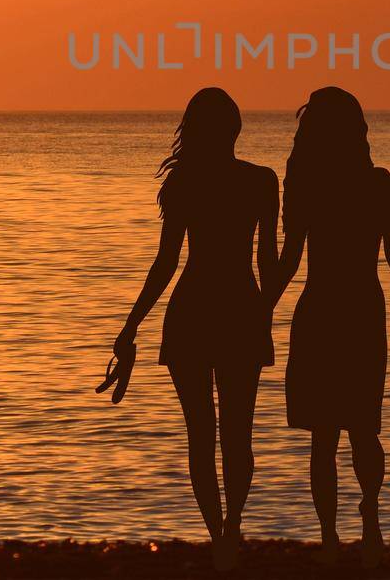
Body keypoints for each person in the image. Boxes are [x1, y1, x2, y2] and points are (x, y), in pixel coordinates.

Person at [113, 88, 279, 571]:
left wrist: (131, 325)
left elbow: (167, 263)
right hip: (241, 310)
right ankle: (232, 528)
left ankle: (218, 537)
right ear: (235, 129)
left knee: (201, 434)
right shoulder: (261, 181)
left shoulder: (185, 181)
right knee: (237, 434)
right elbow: (268, 260)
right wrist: (264, 309)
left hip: (190, 311)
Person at [270, 87, 390, 567]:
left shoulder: (305, 182)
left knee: (326, 433)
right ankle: (370, 516)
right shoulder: (377, 181)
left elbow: (290, 258)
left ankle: (330, 536)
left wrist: (263, 308)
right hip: (363, 308)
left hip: (322, 308)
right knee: (362, 427)